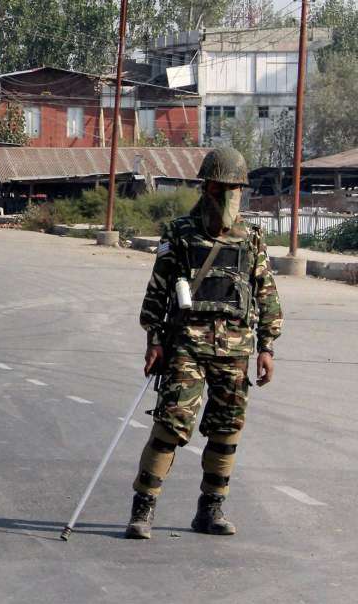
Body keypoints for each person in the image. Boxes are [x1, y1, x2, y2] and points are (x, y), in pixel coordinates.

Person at [125, 146, 282, 539]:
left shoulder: (252, 238)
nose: (229, 194)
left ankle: (210, 509)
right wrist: (154, 340)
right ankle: (142, 510)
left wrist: (267, 347)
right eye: (221, 186)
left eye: (236, 188)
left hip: (234, 351)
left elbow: (266, 293)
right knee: (170, 426)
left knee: (227, 430)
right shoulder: (180, 232)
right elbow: (158, 290)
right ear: (206, 186)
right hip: (186, 348)